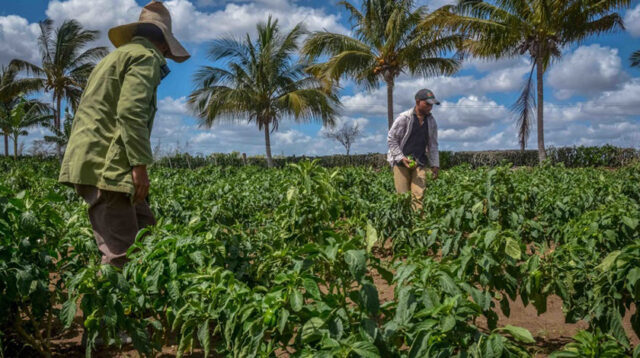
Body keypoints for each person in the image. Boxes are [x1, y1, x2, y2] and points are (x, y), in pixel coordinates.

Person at [58, 1, 190, 268]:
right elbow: (130, 112)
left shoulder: (115, 57)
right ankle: (114, 307)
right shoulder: (145, 57)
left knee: (147, 236)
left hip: (102, 160)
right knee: (122, 256)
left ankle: (141, 305)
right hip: (108, 166)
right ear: (164, 44)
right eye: (166, 51)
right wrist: (139, 165)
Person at [387, 88, 440, 210]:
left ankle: (418, 225)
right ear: (417, 102)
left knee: (418, 197)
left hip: (420, 162)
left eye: (431, 105)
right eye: (427, 104)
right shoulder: (404, 118)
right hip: (401, 163)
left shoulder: (431, 122)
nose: (430, 107)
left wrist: (435, 164)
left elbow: (433, 144)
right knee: (403, 197)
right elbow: (392, 138)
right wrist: (401, 157)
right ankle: (404, 226)